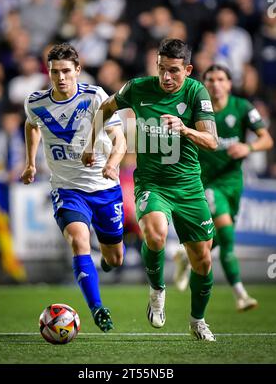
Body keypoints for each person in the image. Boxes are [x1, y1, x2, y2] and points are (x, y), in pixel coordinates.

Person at [83, 38, 219, 341]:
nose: (166, 77)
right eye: (161, 69)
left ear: (188, 70)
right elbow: (105, 108)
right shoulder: (137, 88)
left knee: (203, 260)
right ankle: (157, 291)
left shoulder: (197, 92)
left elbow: (212, 142)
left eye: (173, 71)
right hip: (151, 183)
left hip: (188, 187)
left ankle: (198, 320)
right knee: (155, 234)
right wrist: (93, 143)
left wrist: (184, 129)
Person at [21, 43, 126, 332]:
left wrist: (113, 164)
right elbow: (31, 126)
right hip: (67, 190)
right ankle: (97, 308)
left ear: (78, 70)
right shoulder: (36, 102)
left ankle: (106, 260)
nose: (61, 78)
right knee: (79, 241)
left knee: (115, 259)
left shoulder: (95, 97)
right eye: (55, 72)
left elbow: (120, 140)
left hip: (105, 188)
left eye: (67, 71)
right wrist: (30, 163)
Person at [174, 64, 274, 311]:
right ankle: (240, 294)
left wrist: (248, 147)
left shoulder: (242, 108)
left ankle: (187, 257)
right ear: (204, 84)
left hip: (233, 182)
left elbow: (267, 139)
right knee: (228, 238)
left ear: (229, 84)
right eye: (210, 79)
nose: (216, 84)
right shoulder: (196, 109)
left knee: (214, 240)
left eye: (221, 79)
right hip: (206, 183)